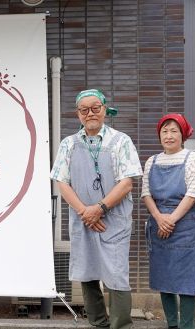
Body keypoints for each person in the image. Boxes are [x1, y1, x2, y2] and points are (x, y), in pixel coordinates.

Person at [50, 89, 142, 329]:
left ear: (104, 109)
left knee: (116, 273)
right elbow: (61, 181)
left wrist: (99, 208)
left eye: (95, 108)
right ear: (78, 114)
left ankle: (120, 324)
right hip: (83, 219)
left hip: (114, 219)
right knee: (87, 270)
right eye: (84, 109)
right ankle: (97, 323)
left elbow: (127, 182)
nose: (90, 113)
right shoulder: (68, 144)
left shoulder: (121, 141)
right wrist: (85, 212)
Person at [141, 113, 195, 329]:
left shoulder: (193, 158)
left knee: (187, 281)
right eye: (164, 131)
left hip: (185, 224)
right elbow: (146, 194)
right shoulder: (151, 161)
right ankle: (172, 324)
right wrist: (159, 218)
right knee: (165, 278)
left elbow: (194, 193)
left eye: (174, 131)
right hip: (158, 221)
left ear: (183, 135)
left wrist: (170, 220)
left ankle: (187, 325)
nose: (169, 136)